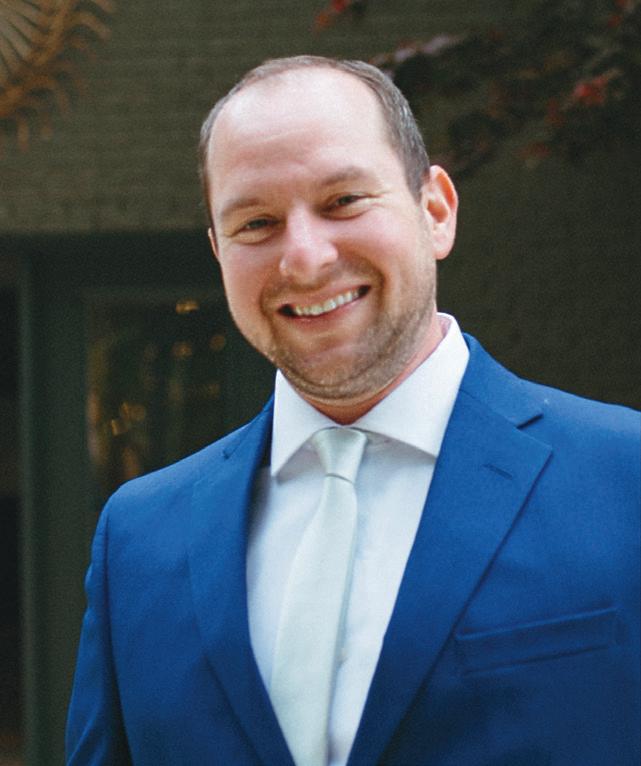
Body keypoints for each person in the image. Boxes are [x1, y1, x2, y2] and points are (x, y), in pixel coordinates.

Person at [66, 56, 640, 766]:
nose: (304, 259)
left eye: (342, 201)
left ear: (435, 211)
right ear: (218, 251)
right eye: (256, 223)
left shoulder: (624, 480)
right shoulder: (138, 538)